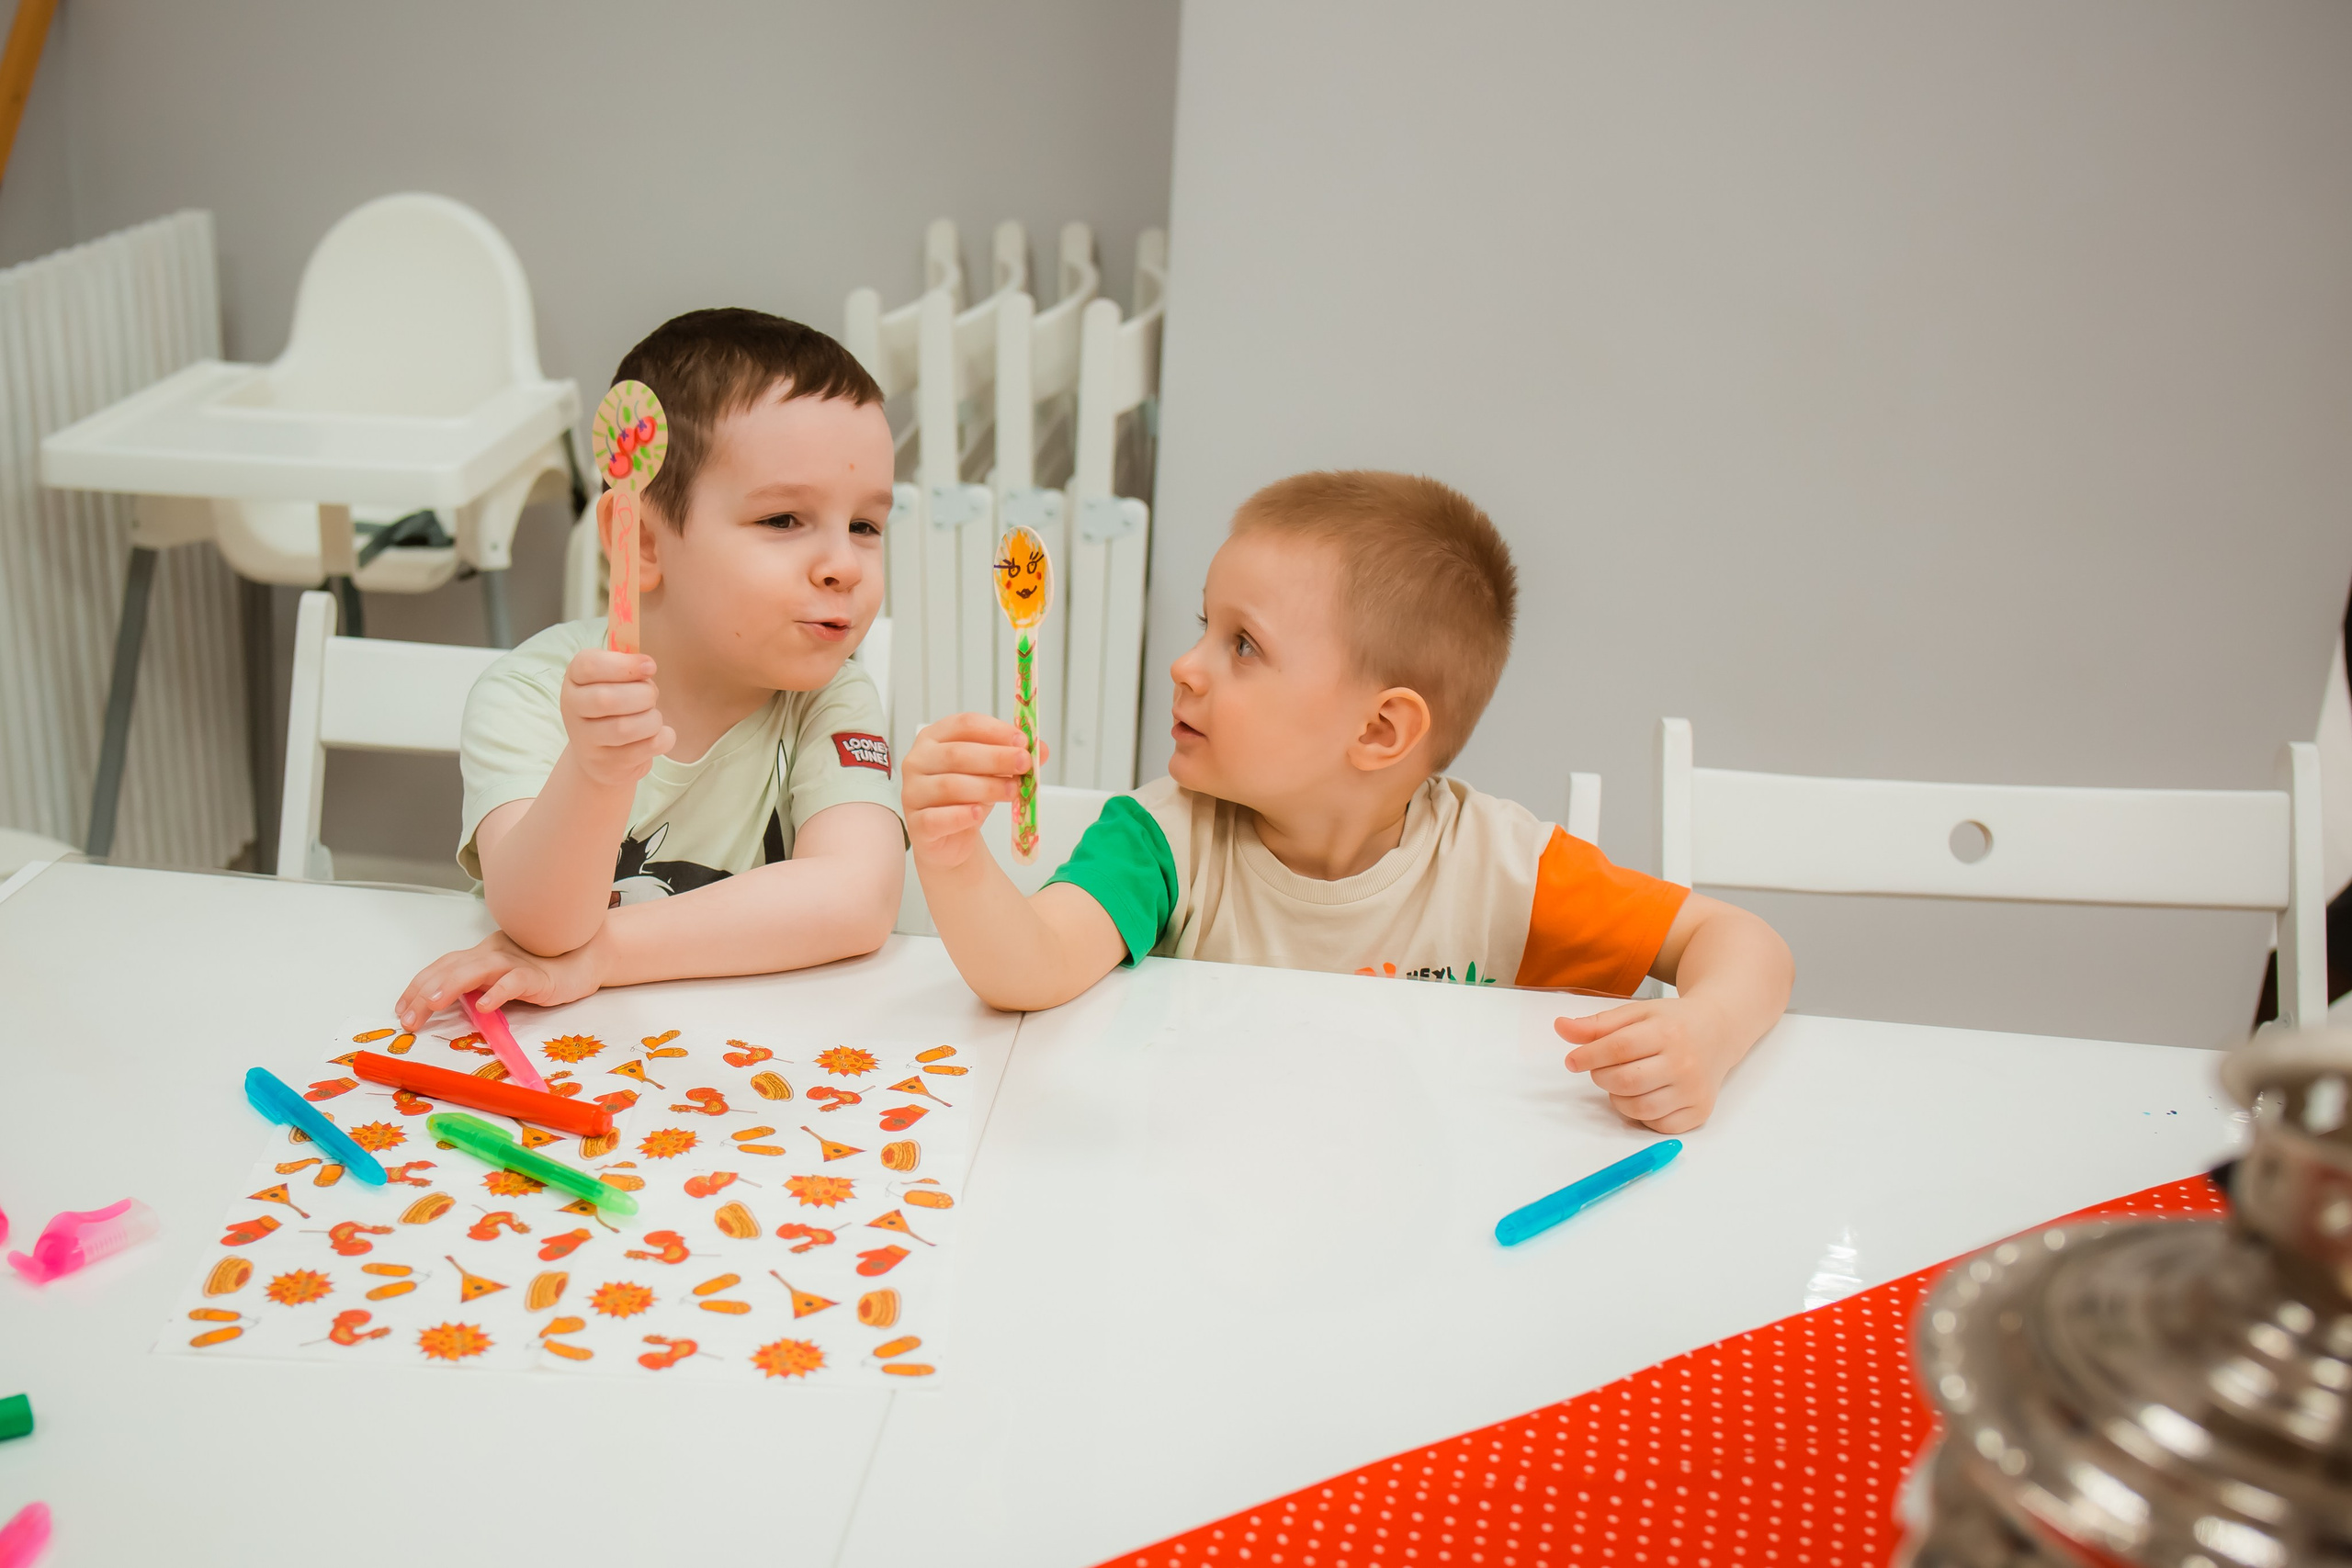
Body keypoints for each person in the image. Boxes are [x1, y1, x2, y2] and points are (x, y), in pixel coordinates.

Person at [901, 470, 1792, 1133]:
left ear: (1378, 732)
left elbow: (1739, 942)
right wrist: (951, 854)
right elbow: (1028, 972)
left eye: (1242, 645)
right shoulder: (1160, 841)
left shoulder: (1503, 869)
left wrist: (1704, 1031)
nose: (1186, 666)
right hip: (1200, 1179)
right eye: (1202, 627)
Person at [395, 310, 905, 1029]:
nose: (843, 566)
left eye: (865, 525)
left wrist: (603, 957)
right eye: (784, 519)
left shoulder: (829, 696)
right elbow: (539, 926)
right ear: (640, 542)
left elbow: (857, 899)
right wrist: (595, 771)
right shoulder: (528, 696)